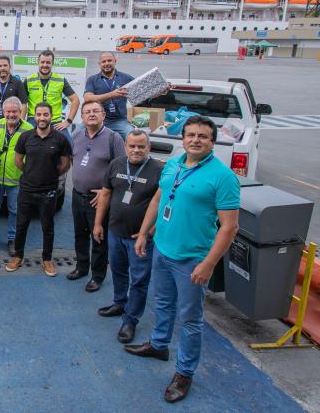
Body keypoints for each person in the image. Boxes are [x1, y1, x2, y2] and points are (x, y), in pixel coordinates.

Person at [124, 116, 240, 404]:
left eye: (202, 136)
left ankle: (184, 372)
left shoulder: (222, 177)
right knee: (162, 302)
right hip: (162, 249)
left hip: (192, 259)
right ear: (183, 138)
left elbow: (229, 227)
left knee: (190, 319)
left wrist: (209, 263)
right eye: (190, 135)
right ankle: (159, 345)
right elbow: (158, 200)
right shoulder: (173, 164)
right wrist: (143, 233)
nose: (195, 140)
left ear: (212, 141)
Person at [92, 129, 162, 343]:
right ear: (125, 146)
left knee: (139, 280)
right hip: (115, 232)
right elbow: (105, 194)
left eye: (141, 146)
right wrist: (98, 224)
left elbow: (166, 203)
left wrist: (151, 230)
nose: (136, 150)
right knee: (119, 271)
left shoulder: (159, 170)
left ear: (148, 148)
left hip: (140, 239)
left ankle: (130, 320)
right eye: (132, 145)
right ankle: (119, 302)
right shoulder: (116, 165)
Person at [5, 102, 71, 277]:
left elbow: (65, 164)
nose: (42, 118)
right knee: (21, 225)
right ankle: (18, 256)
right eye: (39, 115)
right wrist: (30, 172)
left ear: (51, 116)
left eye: (46, 115)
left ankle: (47, 259)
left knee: (47, 227)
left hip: (48, 191)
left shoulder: (60, 139)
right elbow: (18, 161)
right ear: (34, 116)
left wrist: (50, 174)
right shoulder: (26, 137)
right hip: (26, 189)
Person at [66, 101, 125, 292]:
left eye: (95, 111)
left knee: (98, 237)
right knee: (79, 234)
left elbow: (122, 169)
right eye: (87, 112)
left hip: (99, 199)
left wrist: (106, 192)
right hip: (77, 195)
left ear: (103, 115)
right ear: (82, 117)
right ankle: (81, 267)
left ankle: (97, 275)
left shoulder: (113, 138)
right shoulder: (76, 136)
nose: (91, 114)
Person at [0, 97, 31, 255]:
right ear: (3, 112)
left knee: (14, 210)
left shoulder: (29, 128)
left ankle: (12, 238)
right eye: (8, 111)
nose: (11, 114)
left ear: (20, 112)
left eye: (14, 111)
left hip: (17, 178)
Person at [24, 50, 80, 143]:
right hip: (34, 120)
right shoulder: (29, 80)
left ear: (52, 63)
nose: (45, 65)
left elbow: (75, 100)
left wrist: (68, 121)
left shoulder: (60, 80)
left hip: (55, 122)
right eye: (42, 62)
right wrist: (22, 121)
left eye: (48, 62)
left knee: (69, 146)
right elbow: (22, 103)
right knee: (25, 144)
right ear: (38, 62)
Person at [83, 51, 136, 139]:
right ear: (99, 64)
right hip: (96, 119)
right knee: (75, 134)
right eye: (104, 61)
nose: (107, 63)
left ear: (115, 61)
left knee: (133, 136)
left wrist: (161, 91)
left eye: (109, 60)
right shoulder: (92, 79)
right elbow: (88, 99)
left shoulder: (126, 78)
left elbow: (142, 92)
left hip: (119, 121)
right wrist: (112, 94)